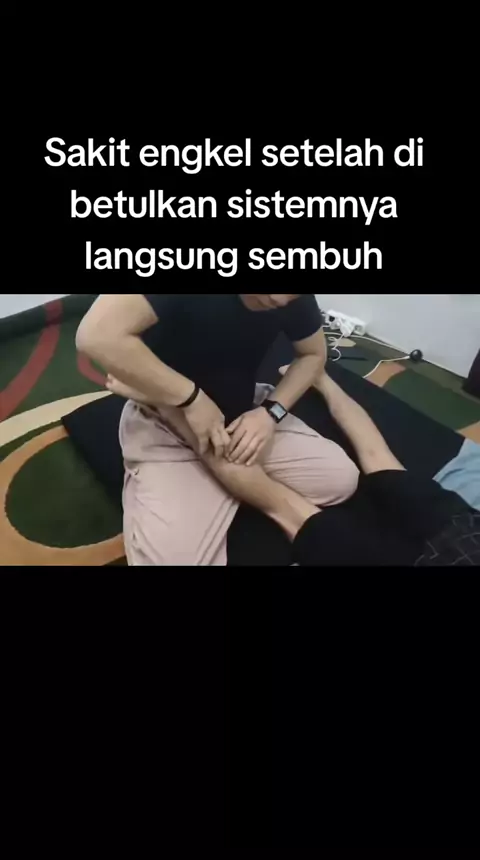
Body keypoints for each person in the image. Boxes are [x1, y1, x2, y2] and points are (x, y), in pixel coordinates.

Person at [76, 294, 359, 566]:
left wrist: (269, 414)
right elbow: (96, 336)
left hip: (240, 411)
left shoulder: (293, 297)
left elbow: (313, 354)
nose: (280, 299)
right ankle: (173, 436)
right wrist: (191, 399)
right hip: (163, 420)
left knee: (340, 482)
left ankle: (223, 486)